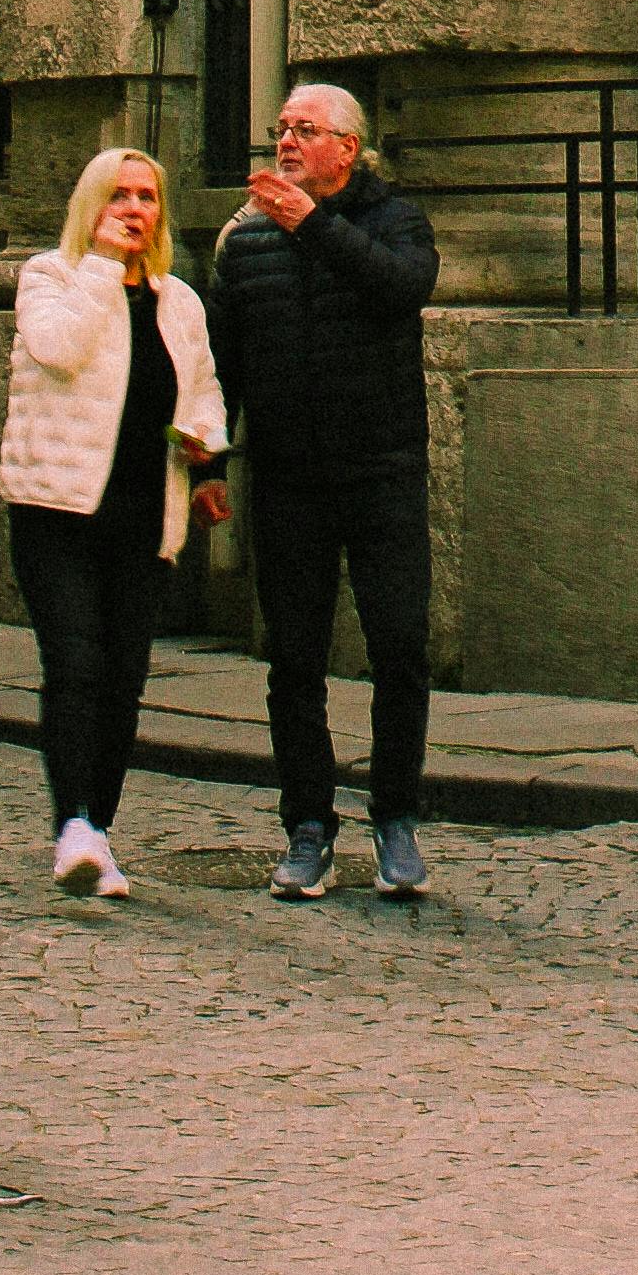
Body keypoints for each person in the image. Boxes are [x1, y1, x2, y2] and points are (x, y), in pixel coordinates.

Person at [206, 79, 440, 904]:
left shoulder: (396, 221)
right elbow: (219, 368)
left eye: (305, 130)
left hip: (382, 473)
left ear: (348, 146)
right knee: (294, 660)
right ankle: (307, 827)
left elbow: (401, 288)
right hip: (289, 479)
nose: (286, 143)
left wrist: (312, 226)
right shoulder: (245, 240)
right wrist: (206, 462)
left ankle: (397, 820)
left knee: (399, 649)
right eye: (279, 130)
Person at [1, 142, 228, 899]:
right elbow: (58, 350)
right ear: (91, 207)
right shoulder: (49, 278)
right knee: (75, 665)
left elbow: (200, 391)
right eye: (120, 196)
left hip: (143, 508)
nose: (135, 210)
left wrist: (208, 463)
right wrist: (102, 265)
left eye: (148, 197)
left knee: (124, 678)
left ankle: (97, 827)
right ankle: (70, 825)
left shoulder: (179, 301)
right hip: (57, 507)